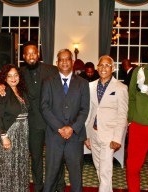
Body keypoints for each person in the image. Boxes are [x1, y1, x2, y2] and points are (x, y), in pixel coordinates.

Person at [0, 41, 65, 192]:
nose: (31, 56)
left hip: (52, 122)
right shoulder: (20, 73)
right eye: (28, 54)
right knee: (36, 158)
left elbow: (61, 92)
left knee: (55, 157)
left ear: (38, 54)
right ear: (24, 56)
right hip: (32, 124)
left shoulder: (52, 70)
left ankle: (59, 186)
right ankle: (38, 187)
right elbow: (4, 81)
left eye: (34, 53)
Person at [41, 49, 90, 192]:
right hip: (54, 136)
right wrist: (60, 128)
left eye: (67, 59)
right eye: (61, 59)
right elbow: (44, 107)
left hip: (75, 137)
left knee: (76, 177)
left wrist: (72, 128)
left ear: (72, 62)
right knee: (50, 176)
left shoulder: (83, 83)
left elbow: (84, 109)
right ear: (57, 63)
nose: (64, 62)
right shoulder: (48, 82)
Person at [85, 55, 128, 192]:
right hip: (93, 133)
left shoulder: (121, 88)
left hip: (109, 135)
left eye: (107, 65)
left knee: (105, 170)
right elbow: (89, 112)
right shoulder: (90, 86)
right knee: (99, 168)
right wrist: (86, 135)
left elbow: (122, 115)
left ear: (113, 68)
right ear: (97, 68)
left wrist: (117, 138)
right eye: (101, 65)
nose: (104, 68)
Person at [0, 64, 30, 191]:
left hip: (22, 134)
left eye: (15, 75)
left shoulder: (21, 91)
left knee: (20, 165)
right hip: (8, 134)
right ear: (4, 78)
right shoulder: (2, 91)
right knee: (7, 167)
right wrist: (4, 136)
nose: (13, 78)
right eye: (9, 76)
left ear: (19, 77)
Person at [127, 40, 148, 191]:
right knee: (132, 168)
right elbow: (131, 97)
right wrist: (130, 120)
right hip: (138, 127)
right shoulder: (138, 72)